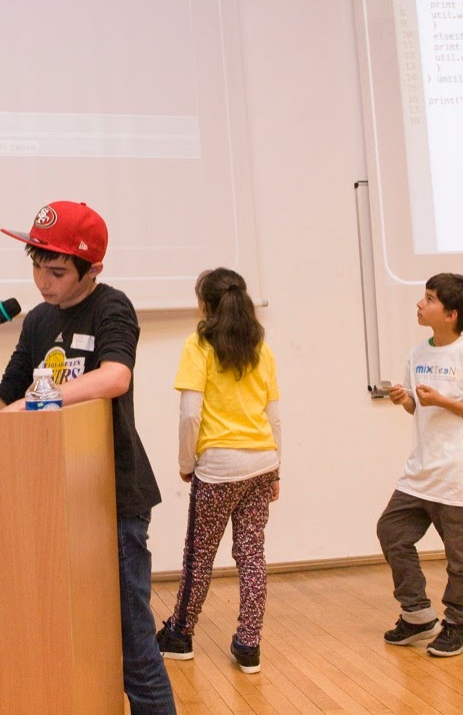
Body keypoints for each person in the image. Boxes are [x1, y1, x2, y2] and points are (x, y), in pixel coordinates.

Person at [0, 201, 174, 714]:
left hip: (112, 497)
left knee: (133, 642)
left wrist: (39, 399)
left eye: (56, 272)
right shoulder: (37, 320)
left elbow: (115, 376)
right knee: (69, 634)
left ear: (92, 269)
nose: (42, 282)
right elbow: (7, 393)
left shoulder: (111, 307)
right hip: (53, 496)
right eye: (36, 267)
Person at [154, 268, 281, 675]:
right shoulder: (260, 347)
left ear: (204, 304)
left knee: (200, 555)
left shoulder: (198, 345)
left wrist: (186, 464)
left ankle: (180, 635)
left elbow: (190, 414)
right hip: (262, 463)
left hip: (219, 469)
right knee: (252, 554)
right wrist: (277, 470)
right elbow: (274, 416)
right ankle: (249, 644)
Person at [377, 273, 463, 658]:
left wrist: (442, 401)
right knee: (391, 531)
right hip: (420, 473)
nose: (420, 303)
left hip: (459, 475)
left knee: (460, 560)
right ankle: (417, 615)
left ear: (451, 314)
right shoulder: (417, 353)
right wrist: (405, 399)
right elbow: (417, 407)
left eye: (429, 299)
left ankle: (460, 625)